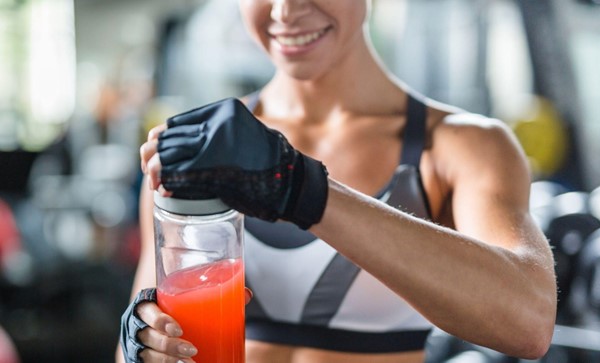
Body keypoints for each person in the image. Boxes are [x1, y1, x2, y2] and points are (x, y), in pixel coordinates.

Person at [118, 0, 558, 362]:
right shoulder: (203, 150)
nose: (286, 11)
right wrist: (141, 342)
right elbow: (138, 343)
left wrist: (302, 189)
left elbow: (530, 322)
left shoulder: (457, 145)